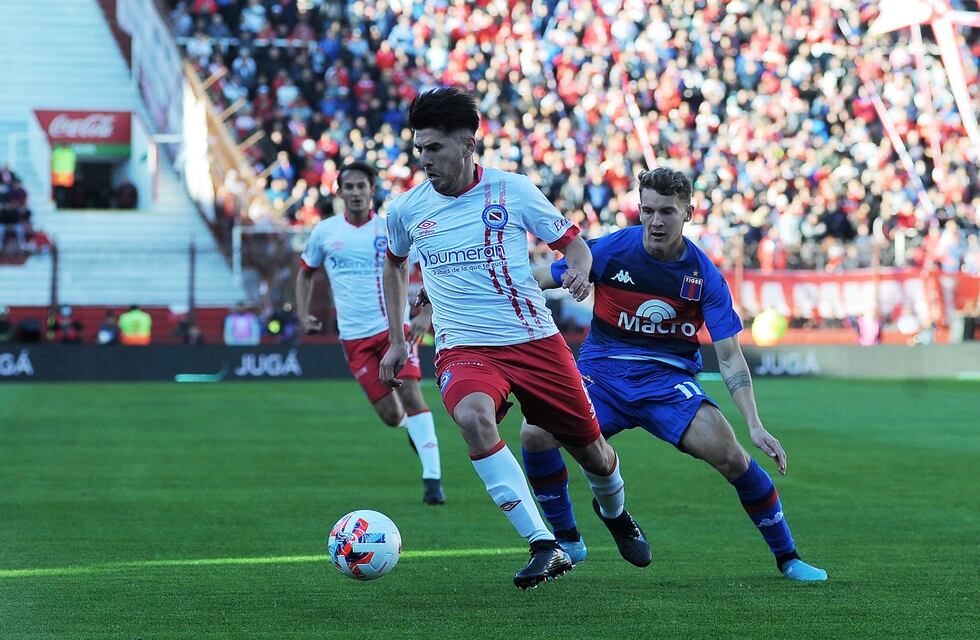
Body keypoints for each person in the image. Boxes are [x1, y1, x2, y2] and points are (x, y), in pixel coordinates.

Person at [379, 88, 650, 590]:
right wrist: (398, 340)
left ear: (467, 145)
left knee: (594, 454)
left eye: (434, 148)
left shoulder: (513, 190)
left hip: (535, 342)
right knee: (473, 418)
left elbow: (573, 245)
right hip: (464, 348)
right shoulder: (405, 210)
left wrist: (582, 273)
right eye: (418, 149)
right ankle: (543, 543)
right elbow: (393, 264)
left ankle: (615, 512)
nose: (424, 160)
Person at [521, 167, 827, 581]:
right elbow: (541, 277)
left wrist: (755, 424)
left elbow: (731, 357)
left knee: (733, 457)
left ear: (689, 213)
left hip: (667, 383)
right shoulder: (611, 250)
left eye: (667, 211)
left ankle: (788, 558)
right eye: (647, 210)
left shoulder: (704, 276)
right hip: (602, 375)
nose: (656, 221)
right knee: (534, 431)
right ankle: (568, 539)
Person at [296, 160, 445, 505]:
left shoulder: (391, 229)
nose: (356, 193)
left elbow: (436, 266)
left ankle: (433, 481)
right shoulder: (326, 233)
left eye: (362, 186)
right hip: (354, 338)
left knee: (411, 396)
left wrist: (426, 311)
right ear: (340, 192)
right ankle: (417, 435)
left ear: (372, 190)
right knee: (392, 416)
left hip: (394, 330)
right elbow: (305, 273)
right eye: (349, 187)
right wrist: (303, 313)